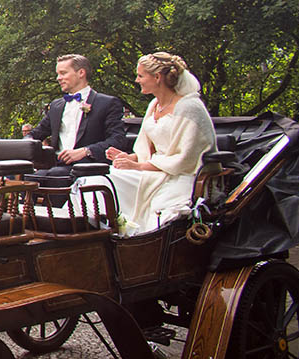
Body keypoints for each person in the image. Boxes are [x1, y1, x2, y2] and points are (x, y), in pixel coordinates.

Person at [107, 53, 216, 236]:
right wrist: (129, 158)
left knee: (160, 207)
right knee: (108, 179)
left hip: (183, 175)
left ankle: (142, 239)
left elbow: (186, 159)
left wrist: (138, 165)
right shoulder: (154, 105)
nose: (137, 80)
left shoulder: (190, 107)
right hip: (155, 169)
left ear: (157, 77)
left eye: (140, 76)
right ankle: (114, 234)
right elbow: (149, 150)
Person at [27, 54, 127, 166]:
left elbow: (118, 140)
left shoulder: (107, 103)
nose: (58, 78)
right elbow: (36, 133)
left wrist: (86, 151)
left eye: (63, 73)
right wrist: (22, 144)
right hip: (55, 166)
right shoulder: (56, 106)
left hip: (88, 168)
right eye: (58, 74)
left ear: (81, 73)